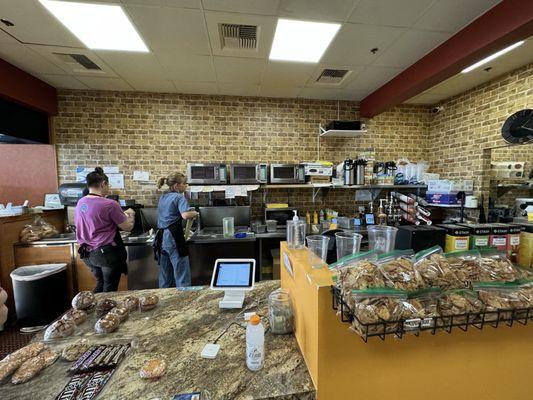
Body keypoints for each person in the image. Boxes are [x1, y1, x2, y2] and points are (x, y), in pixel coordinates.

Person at [75, 167, 135, 292]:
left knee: (101, 284)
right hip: (105, 253)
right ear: (103, 184)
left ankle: (91, 309)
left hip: (87, 254)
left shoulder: (81, 202)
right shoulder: (109, 204)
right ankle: (106, 311)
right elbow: (128, 227)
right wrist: (131, 214)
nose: (109, 188)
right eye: (108, 185)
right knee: (109, 289)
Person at [153, 172, 198, 288]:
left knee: (165, 275)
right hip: (173, 237)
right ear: (177, 186)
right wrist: (195, 213)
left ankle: (165, 302)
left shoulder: (163, 197)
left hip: (161, 237)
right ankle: (184, 303)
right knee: (181, 273)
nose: (186, 185)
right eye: (184, 183)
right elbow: (185, 215)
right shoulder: (179, 197)